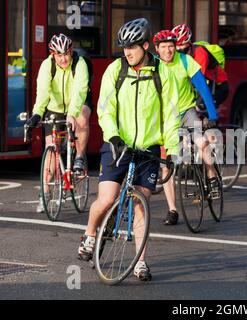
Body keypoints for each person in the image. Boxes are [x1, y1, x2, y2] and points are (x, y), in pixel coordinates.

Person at [77, 18, 181, 280]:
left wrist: (172, 150)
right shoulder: (115, 70)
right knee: (107, 199)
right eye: (123, 47)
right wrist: (112, 136)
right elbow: (105, 108)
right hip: (117, 145)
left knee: (141, 205)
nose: (127, 52)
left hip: (147, 149)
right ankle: (90, 234)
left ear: (146, 46)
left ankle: (140, 262)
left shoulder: (162, 73)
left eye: (132, 47)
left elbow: (171, 115)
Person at [153, 29, 219, 225]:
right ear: (157, 49)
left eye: (171, 46)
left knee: (202, 142)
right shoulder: (153, 65)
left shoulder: (184, 61)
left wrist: (213, 114)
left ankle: (211, 174)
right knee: (166, 164)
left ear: (176, 47)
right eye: (163, 47)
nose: (168, 50)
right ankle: (172, 210)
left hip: (186, 112)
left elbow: (202, 87)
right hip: (165, 117)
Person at [25, 33, 91, 213]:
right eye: (59, 55)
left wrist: (72, 113)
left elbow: (80, 91)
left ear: (71, 52)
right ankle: (45, 195)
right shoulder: (47, 65)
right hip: (54, 107)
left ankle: (78, 157)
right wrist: (37, 114)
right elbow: (43, 92)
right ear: (53, 54)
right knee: (50, 152)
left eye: (66, 54)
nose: (63, 59)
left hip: (77, 102)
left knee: (82, 118)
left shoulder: (80, 64)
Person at [172, 24, 229, 107]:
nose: (178, 48)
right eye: (176, 45)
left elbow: (197, 77)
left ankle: (207, 120)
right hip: (204, 85)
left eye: (181, 45)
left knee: (198, 109)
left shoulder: (200, 53)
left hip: (217, 87)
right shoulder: (180, 54)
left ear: (188, 43)